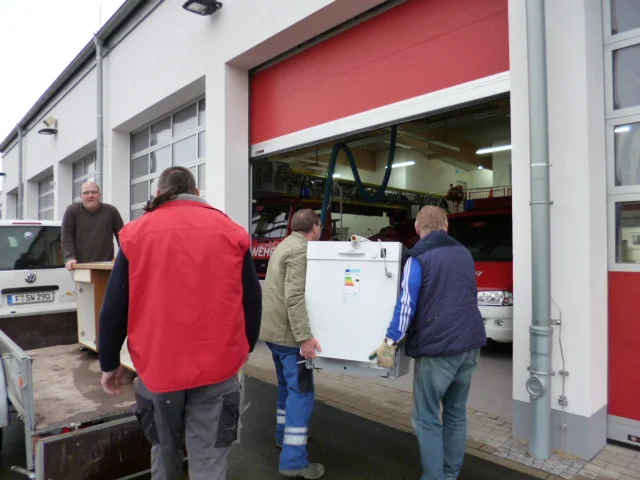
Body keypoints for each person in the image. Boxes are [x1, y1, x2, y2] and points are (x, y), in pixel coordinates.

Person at [97, 166, 262, 480]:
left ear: (159, 193)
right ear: (197, 193)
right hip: (218, 365)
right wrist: (247, 345)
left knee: (164, 449)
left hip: (159, 367)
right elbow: (251, 299)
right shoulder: (231, 231)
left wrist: (109, 361)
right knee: (209, 456)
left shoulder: (135, 234)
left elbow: (115, 306)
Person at [372, 205, 486, 480]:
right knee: (456, 413)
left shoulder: (418, 257)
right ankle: (450, 473)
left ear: (417, 228)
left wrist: (390, 341)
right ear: (446, 226)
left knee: (426, 417)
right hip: (470, 344)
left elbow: (407, 305)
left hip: (438, 349)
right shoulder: (464, 253)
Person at [260, 208, 324, 479]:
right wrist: (304, 337)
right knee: (302, 394)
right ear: (315, 227)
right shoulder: (301, 251)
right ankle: (295, 460)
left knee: (287, 389)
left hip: (274, 333)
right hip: (289, 337)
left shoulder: (284, 245)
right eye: (320, 225)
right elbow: (295, 296)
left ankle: (283, 437)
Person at [61, 181, 124, 270]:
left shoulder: (111, 211)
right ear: (81, 196)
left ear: (99, 195)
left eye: (94, 192)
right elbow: (67, 237)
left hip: (106, 266)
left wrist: (125, 257)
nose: (90, 195)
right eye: (86, 193)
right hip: (80, 267)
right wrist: (70, 257)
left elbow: (122, 236)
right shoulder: (72, 211)